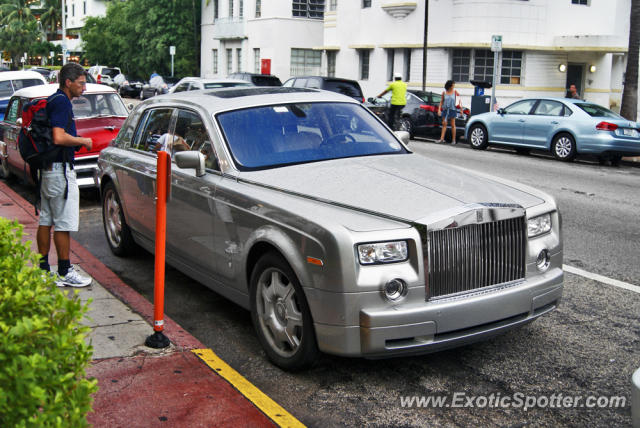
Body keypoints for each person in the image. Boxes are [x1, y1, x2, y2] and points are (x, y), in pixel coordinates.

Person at [37, 62, 93, 287]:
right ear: (68, 82)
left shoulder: (53, 100)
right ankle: (64, 270)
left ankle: (43, 270)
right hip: (60, 171)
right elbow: (59, 137)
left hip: (49, 170)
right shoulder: (61, 102)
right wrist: (83, 141)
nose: (84, 88)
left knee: (46, 220)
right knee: (63, 223)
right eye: (80, 84)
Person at [437, 80, 461, 144]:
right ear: (450, 86)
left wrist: (461, 110)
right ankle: (442, 139)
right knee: (444, 124)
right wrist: (439, 109)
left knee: (453, 125)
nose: (454, 86)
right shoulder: (444, 93)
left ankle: (453, 140)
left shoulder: (455, 92)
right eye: (453, 85)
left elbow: (459, 101)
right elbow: (441, 101)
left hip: (452, 109)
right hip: (445, 109)